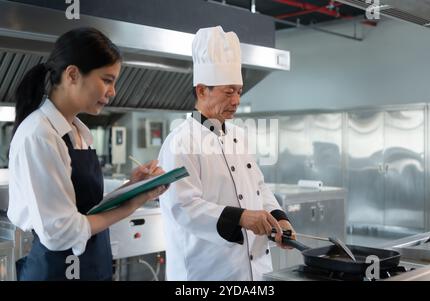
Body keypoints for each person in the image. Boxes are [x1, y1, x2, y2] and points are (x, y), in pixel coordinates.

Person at [7, 27, 167, 281]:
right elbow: (61, 231)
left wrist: (133, 187)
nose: (112, 91)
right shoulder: (40, 135)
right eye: (107, 79)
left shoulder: (77, 132)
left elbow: (86, 209)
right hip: (56, 272)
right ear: (72, 74)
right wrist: (131, 206)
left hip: (92, 267)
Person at [158, 26, 296, 281]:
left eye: (239, 92)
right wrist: (241, 217)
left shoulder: (238, 136)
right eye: (228, 91)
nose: (236, 101)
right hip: (207, 273)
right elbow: (183, 207)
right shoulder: (181, 142)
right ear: (202, 91)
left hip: (254, 271)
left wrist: (279, 218)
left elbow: (258, 187)